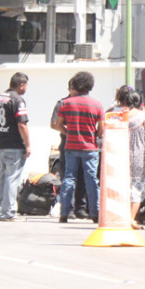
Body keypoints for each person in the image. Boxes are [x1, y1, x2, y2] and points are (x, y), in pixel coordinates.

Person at [56, 71, 104, 224]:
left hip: (71, 146)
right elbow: (102, 128)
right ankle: (94, 213)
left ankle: (64, 213)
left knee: (69, 178)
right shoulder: (97, 105)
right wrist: (94, 136)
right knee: (91, 180)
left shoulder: (65, 103)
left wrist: (68, 132)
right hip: (90, 148)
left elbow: (58, 124)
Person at [109, 85, 145, 230]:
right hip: (139, 155)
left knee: (118, 186)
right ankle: (131, 219)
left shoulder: (113, 114)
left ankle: (118, 217)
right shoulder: (142, 116)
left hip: (117, 153)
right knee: (137, 188)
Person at [0, 72, 31, 222]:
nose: (26, 88)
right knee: (12, 179)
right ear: (21, 85)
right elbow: (22, 124)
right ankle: (8, 212)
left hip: (0, 144)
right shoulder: (18, 101)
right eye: (26, 85)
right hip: (14, 145)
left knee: (1, 179)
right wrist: (28, 145)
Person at [50, 77, 89, 219]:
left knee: (83, 177)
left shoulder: (85, 103)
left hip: (84, 144)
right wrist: (69, 132)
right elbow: (54, 124)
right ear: (69, 89)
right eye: (73, 89)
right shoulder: (63, 103)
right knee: (69, 177)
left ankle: (80, 208)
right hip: (68, 145)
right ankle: (69, 209)